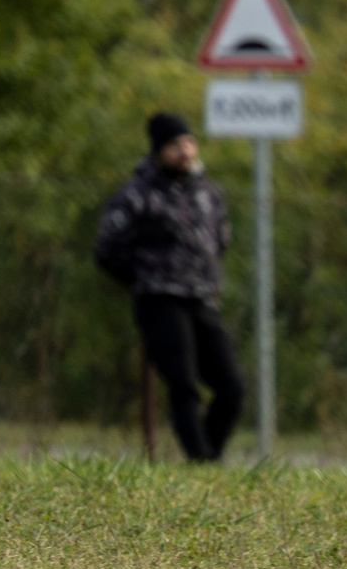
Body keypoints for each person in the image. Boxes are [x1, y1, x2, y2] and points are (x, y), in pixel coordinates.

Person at [95, 112, 244, 461]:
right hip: (160, 299)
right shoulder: (137, 195)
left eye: (189, 142)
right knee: (184, 385)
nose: (185, 151)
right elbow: (107, 249)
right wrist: (144, 280)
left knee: (231, 387)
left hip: (202, 297)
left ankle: (207, 460)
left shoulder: (208, 193)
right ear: (158, 150)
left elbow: (221, 239)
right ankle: (200, 461)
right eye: (175, 145)